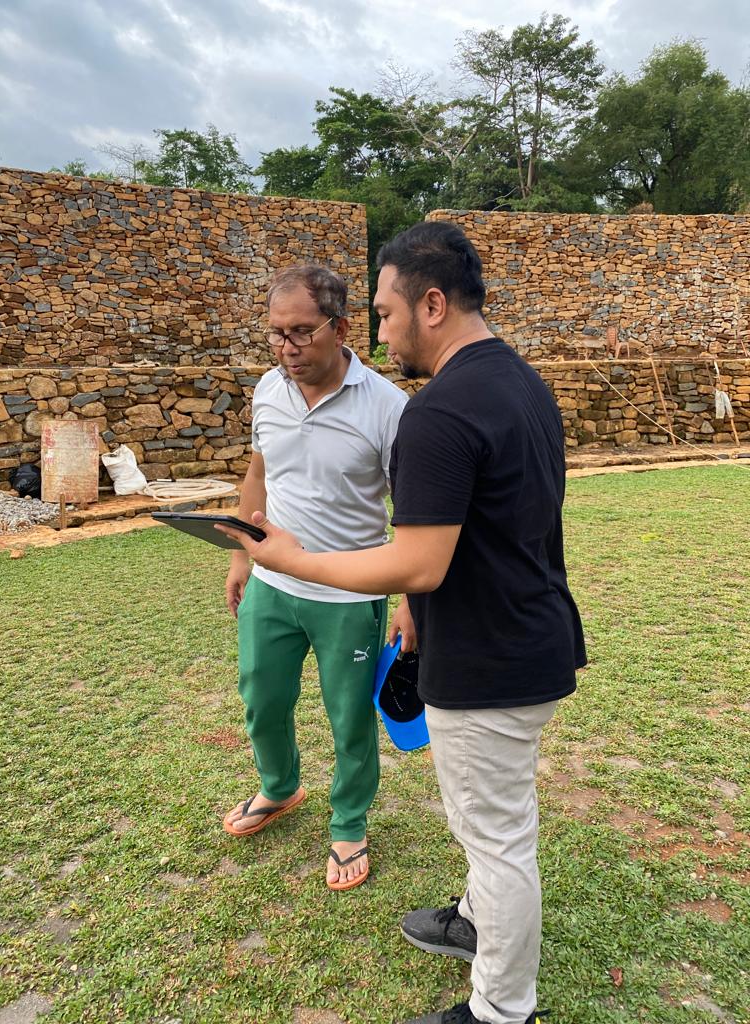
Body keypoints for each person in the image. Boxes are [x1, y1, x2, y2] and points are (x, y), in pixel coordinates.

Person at [218, 221, 586, 1023]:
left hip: (489, 657)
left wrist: (294, 558)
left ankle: (500, 1010)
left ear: (431, 305)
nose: (382, 335)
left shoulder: (435, 412)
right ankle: (477, 919)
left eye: (385, 314)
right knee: (492, 826)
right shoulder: (518, 380)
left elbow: (419, 564)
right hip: (527, 634)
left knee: (497, 838)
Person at [222, 264, 409, 892]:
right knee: (262, 699)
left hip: (350, 594)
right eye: (277, 333)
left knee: (349, 716)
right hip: (273, 586)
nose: (288, 347)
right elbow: (259, 474)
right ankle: (279, 788)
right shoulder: (268, 390)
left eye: (302, 331)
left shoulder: (388, 407)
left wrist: (410, 599)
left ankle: (349, 822)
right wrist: (241, 556)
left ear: (341, 327)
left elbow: (413, 512)